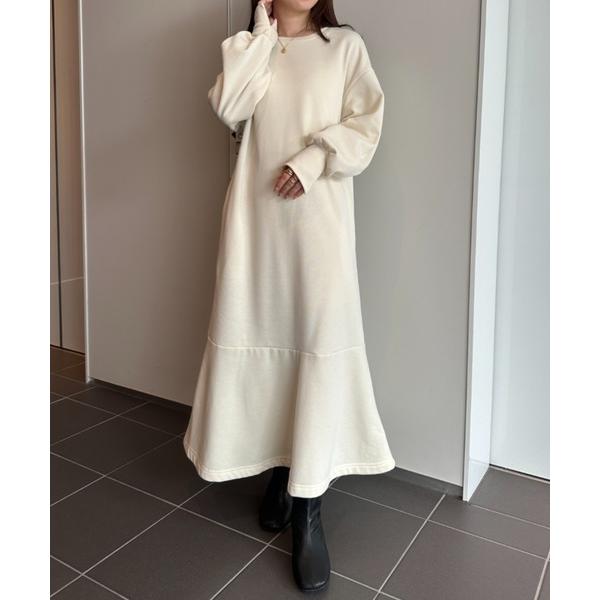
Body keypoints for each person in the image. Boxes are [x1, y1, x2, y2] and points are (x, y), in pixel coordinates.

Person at [182, 0, 395, 592]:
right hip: (255, 225)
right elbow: (229, 107)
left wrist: (313, 157)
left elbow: (367, 123)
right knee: (264, 343)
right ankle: (280, 470)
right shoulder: (250, 47)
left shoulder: (345, 46)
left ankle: (309, 510)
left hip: (319, 227)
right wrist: (261, 30)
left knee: (315, 349)